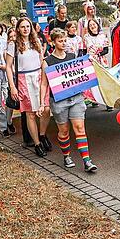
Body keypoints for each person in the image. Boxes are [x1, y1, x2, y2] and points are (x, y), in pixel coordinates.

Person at [39, 29, 98, 172]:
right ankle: (66, 156)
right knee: (64, 131)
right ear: (53, 42)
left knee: (79, 128)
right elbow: (44, 84)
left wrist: (90, 62)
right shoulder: (47, 62)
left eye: (65, 40)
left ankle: (87, 161)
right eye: (60, 41)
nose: (63, 43)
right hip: (59, 101)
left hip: (76, 98)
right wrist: (42, 103)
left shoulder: (72, 56)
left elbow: (82, 72)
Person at [5, 18, 51, 157]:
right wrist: (12, 86)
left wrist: (48, 74)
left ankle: (42, 135)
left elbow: (42, 61)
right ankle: (37, 143)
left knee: (46, 109)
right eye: (22, 27)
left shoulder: (36, 42)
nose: (25, 29)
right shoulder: (13, 45)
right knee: (30, 113)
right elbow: (8, 66)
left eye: (28, 26)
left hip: (39, 77)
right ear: (18, 29)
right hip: (24, 79)